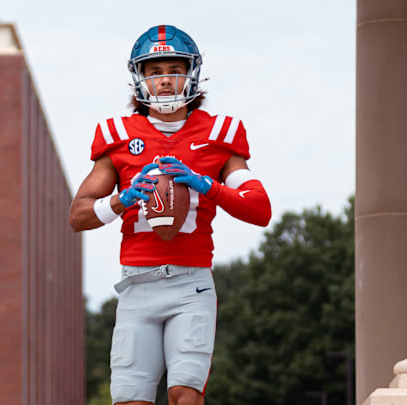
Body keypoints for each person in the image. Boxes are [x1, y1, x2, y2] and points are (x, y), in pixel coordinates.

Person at [70, 24, 271, 405]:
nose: (165, 80)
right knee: (131, 399)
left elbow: (260, 209)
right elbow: (78, 215)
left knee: (185, 395)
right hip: (136, 286)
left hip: (191, 286)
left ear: (191, 74)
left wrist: (205, 184)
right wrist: (121, 200)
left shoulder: (220, 133)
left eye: (174, 70)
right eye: (155, 71)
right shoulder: (116, 134)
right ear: (140, 77)